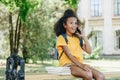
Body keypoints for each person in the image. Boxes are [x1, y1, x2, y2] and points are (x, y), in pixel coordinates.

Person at [54, 9, 105, 80]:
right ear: (65, 25)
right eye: (71, 23)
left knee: (100, 76)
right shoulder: (62, 37)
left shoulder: (78, 38)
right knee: (88, 75)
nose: (74, 25)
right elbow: (69, 55)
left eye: (75, 23)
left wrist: (84, 37)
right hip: (68, 65)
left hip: (79, 65)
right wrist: (82, 66)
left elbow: (89, 51)